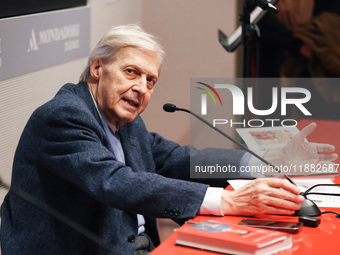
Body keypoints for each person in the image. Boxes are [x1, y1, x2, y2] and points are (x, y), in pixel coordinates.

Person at [0, 24, 337, 255]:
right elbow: (116, 183)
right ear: (97, 68)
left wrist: (265, 162)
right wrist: (226, 202)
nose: (141, 88)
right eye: (131, 72)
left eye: (150, 80)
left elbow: (178, 158)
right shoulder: (64, 116)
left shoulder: (125, 119)